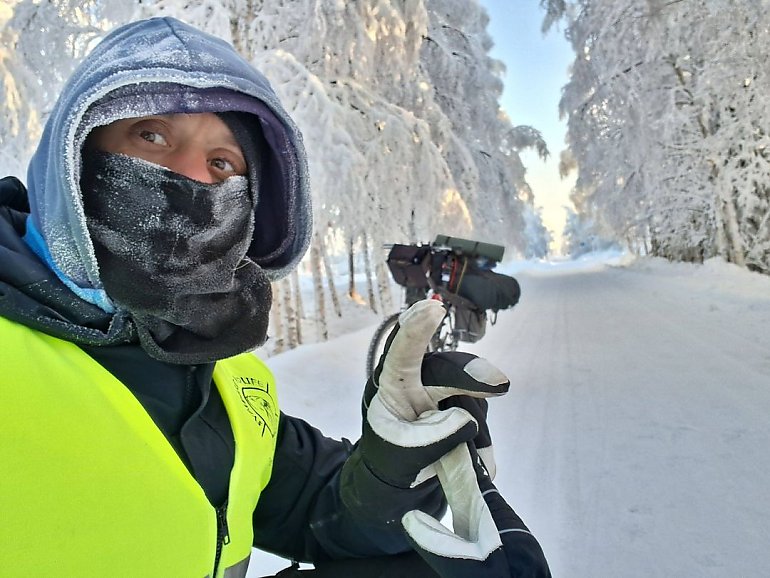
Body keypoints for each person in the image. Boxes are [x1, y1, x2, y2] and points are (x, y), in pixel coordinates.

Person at [0, 17, 550, 578]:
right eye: (153, 135)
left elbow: (315, 510)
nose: (193, 178)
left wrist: (390, 466)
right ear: (73, 153)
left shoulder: (227, 375)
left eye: (222, 164)